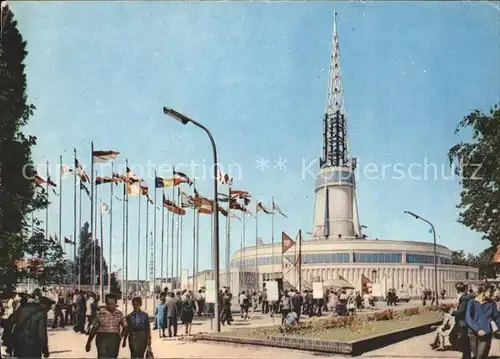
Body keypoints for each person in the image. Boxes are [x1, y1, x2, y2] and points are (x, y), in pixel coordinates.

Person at [85, 294, 127, 359]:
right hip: (102, 338)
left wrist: (121, 336)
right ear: (106, 303)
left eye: (112, 304)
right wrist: (88, 342)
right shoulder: (100, 314)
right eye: (108, 303)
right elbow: (94, 329)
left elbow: (126, 327)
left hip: (114, 339)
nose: (110, 306)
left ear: (115, 303)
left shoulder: (119, 314)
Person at [465, 284, 500, 359]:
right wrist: (478, 329)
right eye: (490, 292)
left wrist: (496, 327)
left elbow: (497, 317)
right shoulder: (472, 302)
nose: (492, 294)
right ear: (483, 292)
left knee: (480, 355)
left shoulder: (492, 304)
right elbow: (468, 318)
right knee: (475, 355)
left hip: (486, 333)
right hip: (473, 333)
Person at [451, 282, 472, 359]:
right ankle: (466, 356)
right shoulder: (465, 297)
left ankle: (466, 356)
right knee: (464, 340)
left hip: (463, 322)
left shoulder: (464, 298)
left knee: (464, 340)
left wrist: (450, 311)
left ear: (458, 291)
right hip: (463, 322)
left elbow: (461, 312)